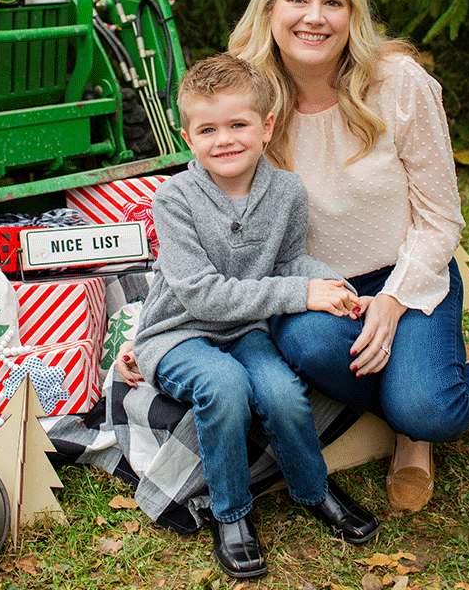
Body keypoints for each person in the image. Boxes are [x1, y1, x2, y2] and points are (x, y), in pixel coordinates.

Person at [226, 0, 469, 513]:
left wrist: (392, 300)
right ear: (269, 9)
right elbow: (209, 204)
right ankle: (413, 406)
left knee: (431, 410)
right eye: (298, 0)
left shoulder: (398, 82)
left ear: (353, 13)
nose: (315, 17)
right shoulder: (246, 92)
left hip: (405, 275)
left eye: (334, 2)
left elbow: (440, 219)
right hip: (315, 291)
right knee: (309, 343)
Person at [129, 53, 381, 579]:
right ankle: (232, 513)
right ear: (187, 136)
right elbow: (200, 295)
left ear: (266, 127)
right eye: (207, 129)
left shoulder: (286, 192)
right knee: (224, 387)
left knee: (282, 392)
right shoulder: (174, 198)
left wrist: (332, 285)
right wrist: (299, 293)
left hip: (246, 330)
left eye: (238, 124)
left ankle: (313, 489)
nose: (224, 139)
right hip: (178, 333)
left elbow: (290, 260)